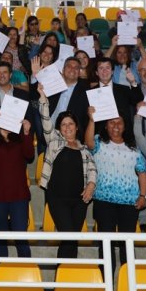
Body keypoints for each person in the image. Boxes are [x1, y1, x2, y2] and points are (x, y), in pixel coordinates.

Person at [38, 85, 96, 259]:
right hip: (58, 199)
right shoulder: (55, 142)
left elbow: (93, 169)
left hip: (79, 201)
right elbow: (46, 121)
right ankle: (61, 280)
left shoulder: (85, 149)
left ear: (77, 127)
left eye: (70, 124)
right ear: (59, 129)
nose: (67, 127)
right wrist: (42, 97)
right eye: (63, 125)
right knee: (69, 236)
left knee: (72, 240)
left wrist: (91, 185)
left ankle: (65, 277)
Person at [86, 109, 146, 273]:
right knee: (106, 245)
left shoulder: (133, 148)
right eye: (111, 122)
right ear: (105, 126)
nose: (115, 126)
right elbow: (88, 143)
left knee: (127, 246)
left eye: (119, 122)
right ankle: (107, 285)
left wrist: (143, 195)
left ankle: (128, 284)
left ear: (125, 126)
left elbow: (142, 172)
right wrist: (92, 120)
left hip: (129, 204)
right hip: (103, 202)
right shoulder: (99, 142)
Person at [0, 106, 34, 258]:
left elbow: (30, 154)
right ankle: (1, 273)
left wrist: (26, 133)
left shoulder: (19, 137)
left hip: (18, 194)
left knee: (21, 236)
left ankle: (27, 272)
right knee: (0, 235)